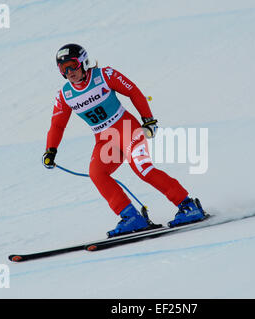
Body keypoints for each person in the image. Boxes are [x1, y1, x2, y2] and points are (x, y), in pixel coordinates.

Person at [43, 43, 206, 237]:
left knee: (143, 168)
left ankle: (187, 205)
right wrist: (50, 150)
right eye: (63, 69)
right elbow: (57, 126)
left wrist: (148, 120)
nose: (69, 72)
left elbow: (133, 92)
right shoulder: (65, 95)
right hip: (105, 140)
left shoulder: (104, 75)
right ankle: (131, 217)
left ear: (84, 62)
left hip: (127, 128)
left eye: (72, 65)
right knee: (97, 174)